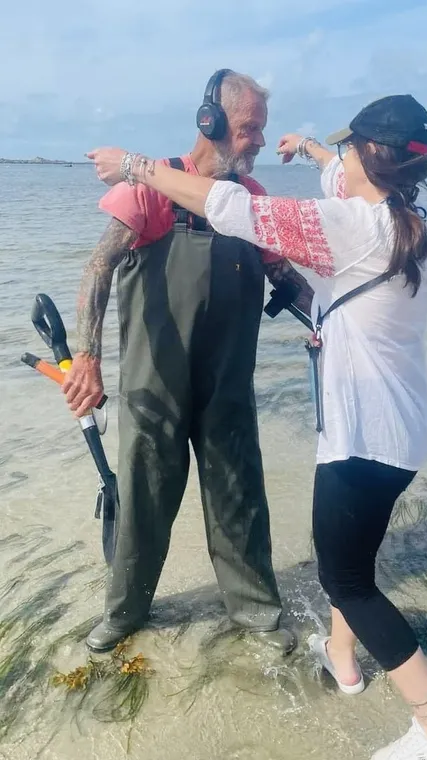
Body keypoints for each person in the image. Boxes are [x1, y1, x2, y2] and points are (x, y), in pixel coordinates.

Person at [87, 93, 427, 760]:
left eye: (346, 151)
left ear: (368, 157)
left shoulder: (338, 223)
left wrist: (133, 164)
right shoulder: (403, 219)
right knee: (348, 556)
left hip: (359, 432)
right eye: (251, 127)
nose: (260, 140)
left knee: (343, 576)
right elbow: (339, 176)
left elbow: (233, 210)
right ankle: (340, 659)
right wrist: (314, 150)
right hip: (399, 425)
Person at [63, 69, 309, 655]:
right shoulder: (152, 188)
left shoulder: (251, 200)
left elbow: (283, 275)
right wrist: (87, 358)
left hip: (227, 383)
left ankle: (256, 612)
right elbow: (98, 268)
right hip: (156, 381)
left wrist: (335, 322)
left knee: (238, 493)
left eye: (261, 129)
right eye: (249, 128)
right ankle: (125, 611)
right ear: (211, 121)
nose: (257, 140)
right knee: (144, 495)